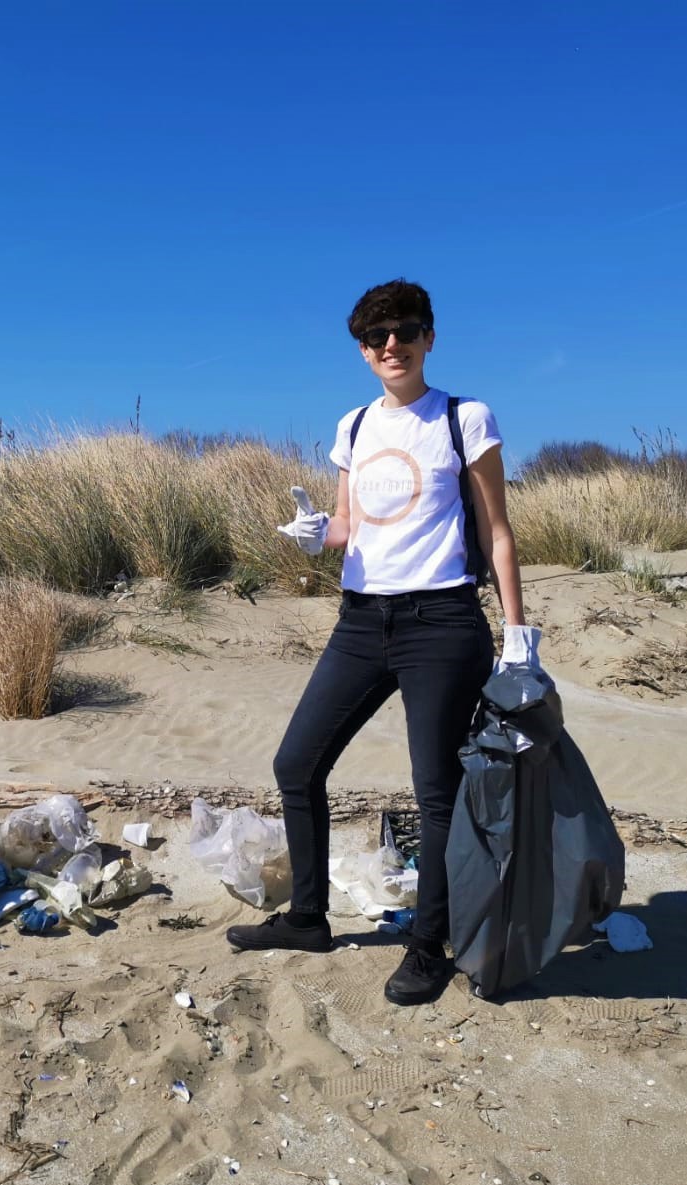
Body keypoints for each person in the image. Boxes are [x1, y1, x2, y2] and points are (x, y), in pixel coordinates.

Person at [226, 279, 532, 1006]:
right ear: (363, 353)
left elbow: (497, 532)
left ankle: (429, 946)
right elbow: (346, 526)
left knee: (435, 791)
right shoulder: (355, 427)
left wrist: (519, 634)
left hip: (443, 624)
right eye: (374, 337)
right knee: (296, 763)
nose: (389, 345)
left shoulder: (464, 419)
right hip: (361, 622)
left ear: (429, 337)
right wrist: (313, 537)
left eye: (403, 331)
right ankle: (307, 918)